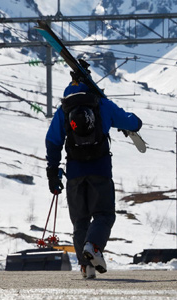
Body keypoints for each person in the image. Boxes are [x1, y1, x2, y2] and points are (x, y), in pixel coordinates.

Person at [45, 68, 143, 279]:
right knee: (104, 214)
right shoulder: (101, 104)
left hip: (75, 174)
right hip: (100, 171)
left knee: (80, 221)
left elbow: (52, 141)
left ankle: (86, 266)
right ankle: (94, 246)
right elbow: (129, 121)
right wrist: (136, 122)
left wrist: (52, 171)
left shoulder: (64, 110)